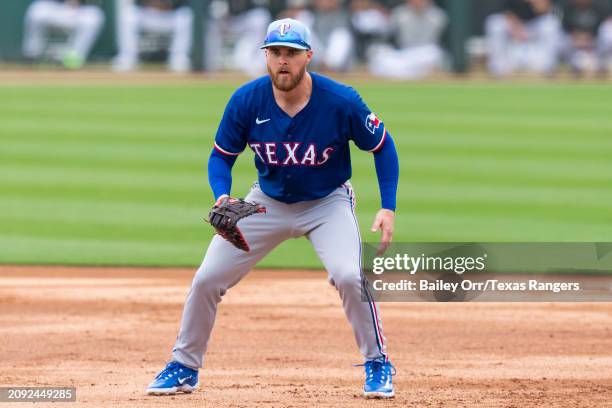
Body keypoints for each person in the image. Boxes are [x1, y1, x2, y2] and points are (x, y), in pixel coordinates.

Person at [145, 18, 400, 399]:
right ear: (265, 55)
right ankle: (184, 366)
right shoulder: (246, 100)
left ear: (308, 56)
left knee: (349, 276)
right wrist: (221, 194)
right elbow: (221, 157)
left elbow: (383, 145)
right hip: (265, 203)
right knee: (206, 279)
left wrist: (388, 206)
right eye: (276, 52)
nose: (283, 60)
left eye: (292, 53)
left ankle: (377, 363)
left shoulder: (341, 100)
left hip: (326, 202)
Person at [366, 0, 447, 79]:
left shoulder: (438, 15)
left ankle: (403, 74)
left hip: (426, 53)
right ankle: (412, 74)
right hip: (404, 55)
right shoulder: (399, 13)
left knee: (433, 53)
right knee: (379, 53)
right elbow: (387, 35)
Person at [112, 0, 193, 73]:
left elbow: (183, 4)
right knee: (128, 14)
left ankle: (179, 59)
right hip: (147, 13)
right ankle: (128, 58)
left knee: (185, 16)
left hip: (171, 15)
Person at [485, 0, 562, 76]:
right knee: (495, 22)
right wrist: (516, 26)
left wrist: (534, 2)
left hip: (534, 29)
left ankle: (547, 66)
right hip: (513, 28)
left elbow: (545, 9)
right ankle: (498, 65)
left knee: (551, 23)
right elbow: (504, 9)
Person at [22, 0, 105, 69]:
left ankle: (73, 57)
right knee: (37, 9)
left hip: (80, 11)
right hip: (56, 8)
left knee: (94, 16)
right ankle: (33, 54)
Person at [560, 0, 612, 74]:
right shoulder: (568, 8)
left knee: (609, 29)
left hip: (597, 47)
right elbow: (565, 32)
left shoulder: (600, 7)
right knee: (583, 63)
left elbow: (605, 29)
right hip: (576, 49)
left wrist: (589, 39)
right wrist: (579, 38)